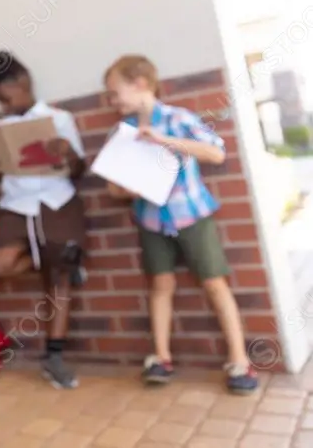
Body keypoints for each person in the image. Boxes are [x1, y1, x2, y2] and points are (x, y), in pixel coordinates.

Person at [103, 55, 258, 395]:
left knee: (215, 284)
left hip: (191, 214)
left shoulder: (177, 118)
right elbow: (114, 187)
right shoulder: (123, 132)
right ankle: (160, 357)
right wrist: (124, 188)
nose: (113, 102)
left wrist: (163, 141)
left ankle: (238, 360)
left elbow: (216, 152)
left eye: (116, 93)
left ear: (141, 83)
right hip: (150, 219)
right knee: (160, 285)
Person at [0, 50, 88, 390]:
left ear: (25, 84)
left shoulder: (58, 119)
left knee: (59, 277)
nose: (8, 104)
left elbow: (79, 170)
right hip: (17, 204)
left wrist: (66, 153)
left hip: (56, 201)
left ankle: (55, 356)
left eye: (10, 96)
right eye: (0, 100)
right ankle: (51, 257)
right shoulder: (0, 125)